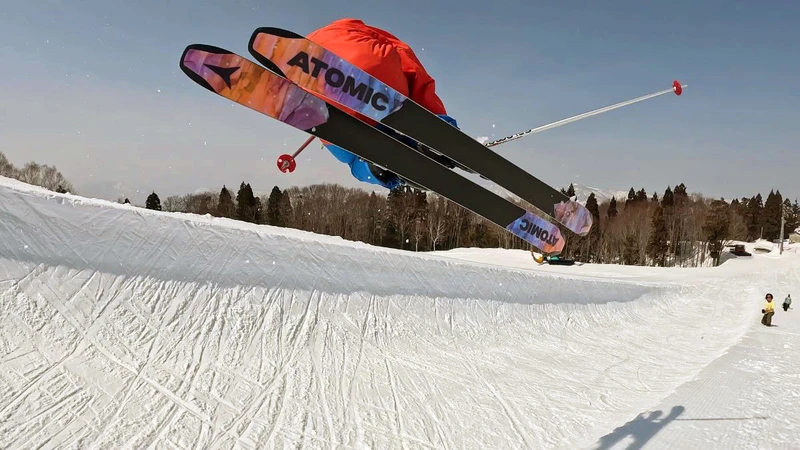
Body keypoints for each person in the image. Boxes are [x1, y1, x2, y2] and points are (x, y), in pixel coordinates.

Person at [306, 18, 460, 190]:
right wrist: (437, 120)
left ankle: (376, 167)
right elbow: (409, 64)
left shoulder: (301, 45)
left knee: (352, 157)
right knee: (401, 120)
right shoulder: (359, 30)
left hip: (317, 86)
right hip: (375, 80)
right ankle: (422, 140)